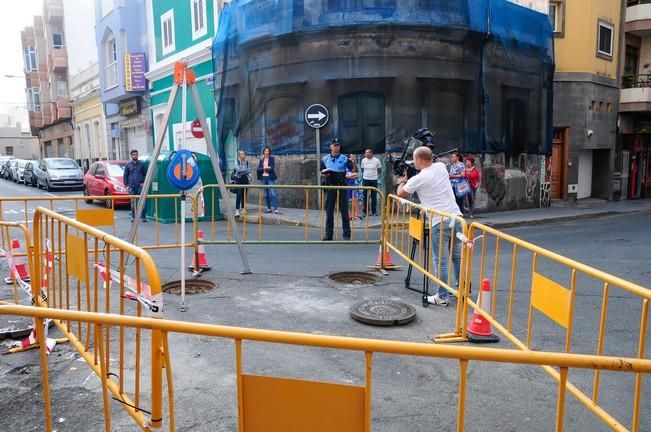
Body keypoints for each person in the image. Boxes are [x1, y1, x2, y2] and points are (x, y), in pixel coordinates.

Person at [397, 146, 462, 307]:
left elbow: (401, 193)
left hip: (439, 221)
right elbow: (432, 168)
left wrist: (403, 180)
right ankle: (461, 289)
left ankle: (442, 296)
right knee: (456, 257)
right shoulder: (441, 167)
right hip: (457, 218)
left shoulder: (418, 179)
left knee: (441, 261)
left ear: (419, 160)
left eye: (415, 159)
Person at [321, 138, 352, 240]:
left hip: (341, 186)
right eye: (334, 145)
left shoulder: (344, 158)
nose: (336, 147)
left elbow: (353, 170)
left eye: (338, 145)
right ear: (330, 146)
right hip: (330, 186)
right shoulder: (325, 159)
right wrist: (325, 174)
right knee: (329, 211)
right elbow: (321, 171)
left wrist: (354, 162)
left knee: (344, 210)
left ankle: (346, 234)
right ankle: (328, 235)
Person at [123, 149, 147, 222]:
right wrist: (126, 185)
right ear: (131, 155)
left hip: (140, 185)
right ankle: (133, 217)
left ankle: (143, 217)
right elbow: (125, 175)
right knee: (133, 202)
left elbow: (145, 174)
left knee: (142, 201)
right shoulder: (128, 165)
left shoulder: (142, 164)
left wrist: (143, 182)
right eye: (133, 154)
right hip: (131, 186)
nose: (135, 156)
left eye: (136, 154)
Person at [257, 146, 280, 214]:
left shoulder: (272, 159)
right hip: (263, 178)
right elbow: (258, 169)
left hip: (270, 178)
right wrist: (266, 168)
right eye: (265, 151)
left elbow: (272, 168)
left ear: (269, 152)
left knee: (273, 193)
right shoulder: (261, 159)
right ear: (263, 152)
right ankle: (269, 208)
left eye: (268, 151)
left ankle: (275, 208)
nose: (267, 152)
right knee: (266, 194)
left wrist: (264, 168)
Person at [360, 148, 382, 216]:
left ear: (371, 153)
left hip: (374, 180)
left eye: (368, 152)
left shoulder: (377, 161)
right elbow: (362, 169)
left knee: (374, 196)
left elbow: (379, 170)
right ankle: (365, 211)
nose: (366, 154)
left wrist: (374, 175)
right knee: (365, 196)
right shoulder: (363, 160)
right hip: (365, 180)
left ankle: (374, 211)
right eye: (365, 152)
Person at [232, 150, 251, 217]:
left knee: (244, 194)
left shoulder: (247, 162)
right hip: (238, 179)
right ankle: (237, 209)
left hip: (245, 179)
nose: (243, 155)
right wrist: (245, 171)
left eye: (243, 153)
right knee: (239, 194)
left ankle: (243, 208)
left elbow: (249, 170)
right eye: (241, 154)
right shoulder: (236, 162)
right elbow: (238, 170)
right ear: (239, 155)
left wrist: (244, 171)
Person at [448, 151, 467, 215]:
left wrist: (453, 176)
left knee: (459, 200)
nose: (452, 158)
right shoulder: (452, 165)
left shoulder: (461, 165)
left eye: (453, 157)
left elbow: (463, 175)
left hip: (458, 185)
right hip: (452, 184)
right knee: (453, 199)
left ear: (458, 157)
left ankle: (460, 213)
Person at [346, 154, 362, 220]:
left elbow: (356, 174)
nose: (353, 158)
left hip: (353, 183)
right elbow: (345, 175)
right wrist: (351, 175)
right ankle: (349, 215)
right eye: (352, 157)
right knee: (347, 200)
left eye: (354, 157)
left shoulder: (354, 165)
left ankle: (358, 214)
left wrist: (351, 175)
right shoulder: (345, 165)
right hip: (346, 184)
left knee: (355, 198)